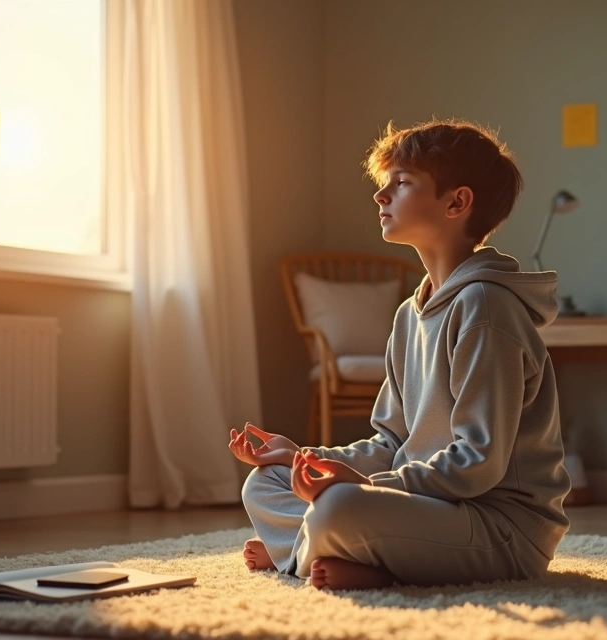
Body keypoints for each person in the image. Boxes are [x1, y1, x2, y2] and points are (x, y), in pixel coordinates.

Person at [229, 118, 571, 591]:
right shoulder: (411, 314)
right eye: (384, 183)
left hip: (501, 528)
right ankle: (320, 547)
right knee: (264, 482)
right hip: (434, 510)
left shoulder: (487, 307)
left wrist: (364, 489)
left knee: (339, 507)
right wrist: (300, 458)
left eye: (402, 183)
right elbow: (390, 444)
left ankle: (302, 547)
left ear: (457, 202)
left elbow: (479, 462)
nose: (380, 196)